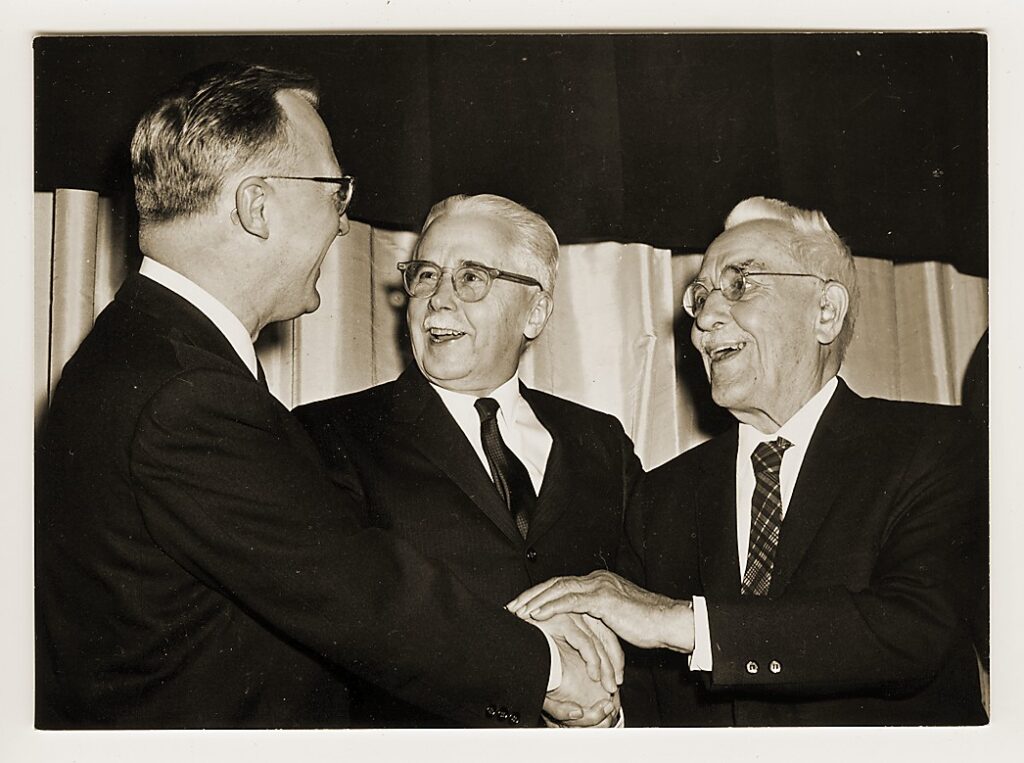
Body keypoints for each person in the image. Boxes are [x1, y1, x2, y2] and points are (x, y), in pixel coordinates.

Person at [35, 62, 620, 729]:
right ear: (258, 206)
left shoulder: (149, 352)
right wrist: (545, 667)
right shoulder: (187, 391)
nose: (343, 225)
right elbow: (357, 588)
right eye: (333, 191)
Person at [508, 196, 988, 726]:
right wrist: (593, 715)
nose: (704, 320)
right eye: (700, 297)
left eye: (740, 284)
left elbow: (914, 628)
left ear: (825, 311)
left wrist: (681, 621)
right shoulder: (659, 499)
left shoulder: (941, 445)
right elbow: (645, 703)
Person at [294, 193, 641, 726]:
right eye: (426, 275)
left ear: (537, 310)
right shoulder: (330, 434)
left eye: (471, 277)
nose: (437, 299)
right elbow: (345, 626)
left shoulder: (601, 441)